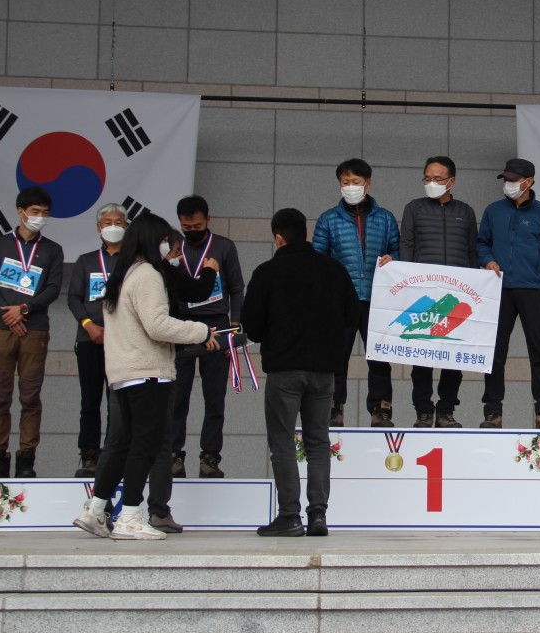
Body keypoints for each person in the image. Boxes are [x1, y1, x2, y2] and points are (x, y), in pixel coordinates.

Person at [74, 213, 215, 541]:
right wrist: (201, 330)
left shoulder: (122, 273)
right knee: (145, 444)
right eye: (165, 239)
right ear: (152, 240)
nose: (168, 245)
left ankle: (95, 510)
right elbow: (157, 325)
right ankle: (130, 517)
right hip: (148, 372)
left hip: (123, 373)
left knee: (124, 443)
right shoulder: (149, 274)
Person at [243, 208, 359, 537]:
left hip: (285, 370)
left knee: (282, 443)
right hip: (324, 371)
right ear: (306, 234)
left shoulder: (267, 272)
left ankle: (290, 516)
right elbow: (352, 315)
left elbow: (251, 325)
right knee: (318, 442)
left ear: (278, 238)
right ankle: (318, 514)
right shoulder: (334, 269)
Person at [0, 186, 64, 478]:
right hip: (1, 327)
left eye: (45, 213)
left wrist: (24, 310)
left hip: (34, 329)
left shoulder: (52, 249)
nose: (40, 217)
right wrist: (8, 313)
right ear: (20, 212)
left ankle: (27, 458)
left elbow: (53, 288)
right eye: (34, 212)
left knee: (30, 396)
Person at [477, 158, 540, 429]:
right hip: (499, 289)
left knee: (538, 351)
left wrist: (538, 269)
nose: (508, 184)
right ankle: (492, 412)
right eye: (506, 179)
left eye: (513, 180)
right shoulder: (493, 211)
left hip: (532, 290)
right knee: (495, 351)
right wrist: (488, 260)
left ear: (529, 182)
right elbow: (481, 243)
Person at [313, 158, 400, 428]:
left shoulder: (385, 218)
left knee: (380, 357)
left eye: (356, 181)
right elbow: (317, 259)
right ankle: (333, 407)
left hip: (378, 298)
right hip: (340, 300)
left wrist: (394, 258)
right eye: (345, 182)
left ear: (367, 184)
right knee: (336, 356)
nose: (350, 186)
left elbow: (398, 250)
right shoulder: (328, 219)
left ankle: (381, 408)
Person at [398, 155, 478, 428]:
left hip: (457, 296)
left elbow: (472, 252)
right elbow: (406, 245)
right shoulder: (414, 208)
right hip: (423, 294)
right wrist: (408, 283)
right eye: (427, 178)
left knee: (453, 355)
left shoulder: (465, 211)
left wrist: (475, 288)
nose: (431, 183)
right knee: (421, 354)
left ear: (451, 181)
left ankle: (446, 409)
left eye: (437, 178)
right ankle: (423, 409)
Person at [170, 195, 245, 479]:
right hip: (182, 325)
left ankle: (210, 457)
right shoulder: (174, 249)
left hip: (217, 324)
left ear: (208, 220)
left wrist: (234, 327)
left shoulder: (224, 247)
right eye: (187, 227)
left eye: (197, 226)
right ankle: (174, 455)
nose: (192, 231)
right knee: (178, 395)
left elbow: (236, 287)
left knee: (214, 397)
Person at [66, 203, 127, 477]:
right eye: (107, 222)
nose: (113, 226)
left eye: (118, 222)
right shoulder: (86, 261)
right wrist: (88, 325)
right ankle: (89, 455)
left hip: (122, 341)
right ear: (98, 227)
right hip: (89, 339)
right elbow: (74, 298)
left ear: (126, 227)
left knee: (118, 401)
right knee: (90, 401)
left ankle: (114, 454)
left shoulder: (134, 261)